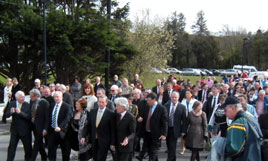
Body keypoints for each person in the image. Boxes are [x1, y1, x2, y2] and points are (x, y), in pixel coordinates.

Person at [223, 96, 262, 161]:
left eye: (225, 110)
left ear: (232, 108)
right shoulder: (250, 117)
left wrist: (219, 144)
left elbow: (233, 149)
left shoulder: (238, 123)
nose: (225, 113)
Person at [81, 95, 116, 161]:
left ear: (106, 103)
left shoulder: (111, 114)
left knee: (101, 158)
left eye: (103, 102)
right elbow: (88, 125)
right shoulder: (92, 112)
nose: (101, 104)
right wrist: (83, 136)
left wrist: (112, 143)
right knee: (95, 158)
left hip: (104, 141)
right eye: (99, 102)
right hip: (94, 140)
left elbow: (113, 130)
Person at [137, 93, 168, 161]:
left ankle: (142, 156)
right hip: (146, 133)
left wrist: (164, 134)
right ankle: (142, 156)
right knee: (150, 151)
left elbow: (165, 122)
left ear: (154, 100)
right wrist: (139, 118)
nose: (147, 102)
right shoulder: (146, 107)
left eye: (149, 100)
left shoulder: (162, 109)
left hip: (156, 134)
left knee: (153, 151)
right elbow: (141, 115)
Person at [5, 91, 32, 161]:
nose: (23, 99)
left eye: (23, 97)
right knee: (11, 147)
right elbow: (6, 115)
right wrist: (11, 112)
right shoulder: (12, 104)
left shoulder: (27, 105)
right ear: (17, 98)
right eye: (21, 97)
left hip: (25, 130)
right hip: (15, 130)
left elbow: (29, 117)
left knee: (27, 148)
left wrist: (20, 113)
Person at [47, 91, 72, 161]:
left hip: (62, 132)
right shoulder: (51, 106)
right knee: (51, 151)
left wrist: (60, 127)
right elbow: (48, 118)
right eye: (54, 97)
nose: (56, 98)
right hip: (52, 131)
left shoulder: (67, 106)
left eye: (57, 97)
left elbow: (67, 118)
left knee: (65, 152)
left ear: (62, 97)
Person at [165, 92, 187, 161]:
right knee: (169, 146)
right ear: (170, 97)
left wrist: (184, 131)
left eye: (176, 97)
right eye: (173, 97)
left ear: (178, 98)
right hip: (167, 129)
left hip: (176, 129)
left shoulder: (182, 107)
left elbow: (184, 120)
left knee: (172, 145)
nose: (174, 98)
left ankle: (169, 159)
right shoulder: (166, 106)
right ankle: (173, 159)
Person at [29, 89, 49, 161]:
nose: (31, 98)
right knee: (40, 143)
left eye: (32, 96)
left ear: (37, 96)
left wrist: (45, 128)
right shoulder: (32, 102)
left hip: (41, 127)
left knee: (36, 143)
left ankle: (32, 158)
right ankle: (44, 156)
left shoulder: (44, 103)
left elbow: (47, 117)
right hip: (34, 126)